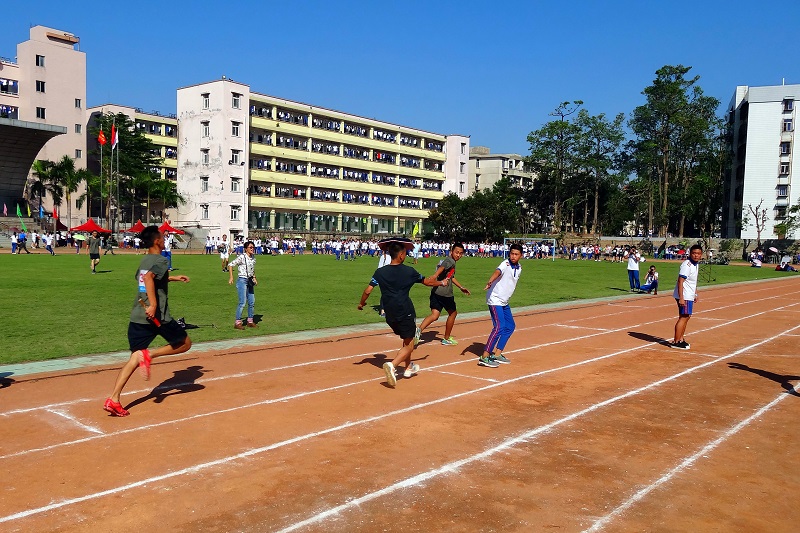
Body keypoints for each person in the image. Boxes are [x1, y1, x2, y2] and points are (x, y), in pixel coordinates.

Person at [103, 226, 192, 416]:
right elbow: (150, 278)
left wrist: (174, 278)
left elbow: (146, 278)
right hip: (157, 316)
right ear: (157, 241)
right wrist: (153, 304)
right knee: (185, 343)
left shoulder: (145, 259)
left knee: (134, 357)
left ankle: (114, 398)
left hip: (138, 314)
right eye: (162, 236)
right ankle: (150, 355)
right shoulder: (161, 259)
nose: (164, 238)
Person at [357, 239, 448, 388]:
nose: (406, 255)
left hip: (388, 313)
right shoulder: (409, 271)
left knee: (407, 339)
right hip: (404, 311)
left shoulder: (380, 272)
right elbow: (428, 282)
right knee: (411, 343)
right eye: (405, 253)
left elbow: (367, 291)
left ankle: (407, 368)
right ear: (400, 255)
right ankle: (392, 365)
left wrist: (361, 304)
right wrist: (441, 283)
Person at [415, 243, 471, 346]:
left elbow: (451, 276)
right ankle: (446, 338)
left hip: (435, 291)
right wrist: (434, 275)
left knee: (435, 315)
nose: (458, 255)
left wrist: (461, 287)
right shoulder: (450, 261)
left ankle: (419, 330)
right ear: (451, 251)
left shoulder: (448, 260)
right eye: (456, 252)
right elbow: (442, 267)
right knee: (453, 313)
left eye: (461, 253)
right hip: (445, 293)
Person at [479, 243, 523, 368]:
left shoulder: (519, 268)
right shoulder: (505, 264)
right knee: (499, 327)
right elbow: (497, 272)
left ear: (521, 255)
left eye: (516, 254)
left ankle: (497, 354)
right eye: (512, 253)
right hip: (495, 299)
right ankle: (485, 356)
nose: (513, 256)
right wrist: (490, 280)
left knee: (510, 326)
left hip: (504, 301)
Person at [671, 244, 702, 350]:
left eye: (698, 254)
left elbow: (693, 281)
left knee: (686, 316)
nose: (696, 255)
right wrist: (681, 297)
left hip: (689, 294)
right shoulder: (687, 265)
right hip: (684, 294)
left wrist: (695, 293)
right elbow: (681, 281)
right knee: (684, 317)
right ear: (690, 253)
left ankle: (680, 338)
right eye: (694, 253)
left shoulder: (695, 264)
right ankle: (676, 341)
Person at [229, 240, 258, 329]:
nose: (252, 249)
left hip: (250, 280)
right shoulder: (242, 257)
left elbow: (252, 269)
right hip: (242, 280)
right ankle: (237, 322)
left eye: (253, 247)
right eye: (250, 247)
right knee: (242, 302)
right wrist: (231, 277)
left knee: (252, 302)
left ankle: (250, 321)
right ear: (246, 249)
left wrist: (254, 278)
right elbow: (230, 265)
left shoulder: (253, 258)